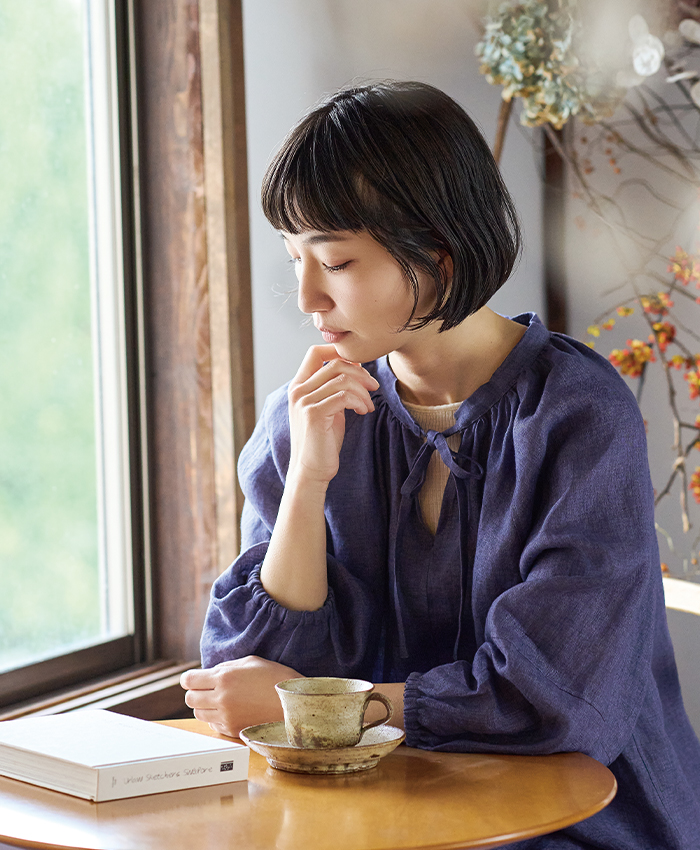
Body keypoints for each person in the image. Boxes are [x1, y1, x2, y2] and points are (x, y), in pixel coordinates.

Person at [180, 81, 700, 848]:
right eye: (295, 259)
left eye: (338, 260)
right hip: (379, 817)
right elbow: (253, 680)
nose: (308, 297)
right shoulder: (311, 413)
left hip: (581, 823)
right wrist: (306, 482)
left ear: (438, 253)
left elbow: (556, 701)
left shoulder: (579, 417)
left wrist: (338, 709)